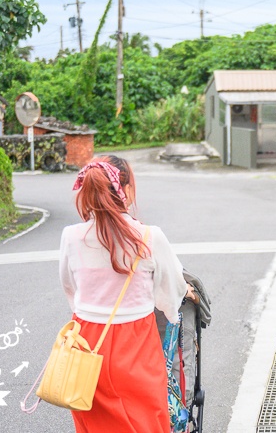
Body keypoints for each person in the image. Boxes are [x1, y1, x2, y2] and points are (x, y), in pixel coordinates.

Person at [59, 155, 194, 433]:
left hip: (86, 342)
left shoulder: (70, 236)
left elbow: (70, 289)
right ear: (126, 190)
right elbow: (170, 294)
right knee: (145, 421)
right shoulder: (148, 236)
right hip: (135, 343)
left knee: (94, 423)